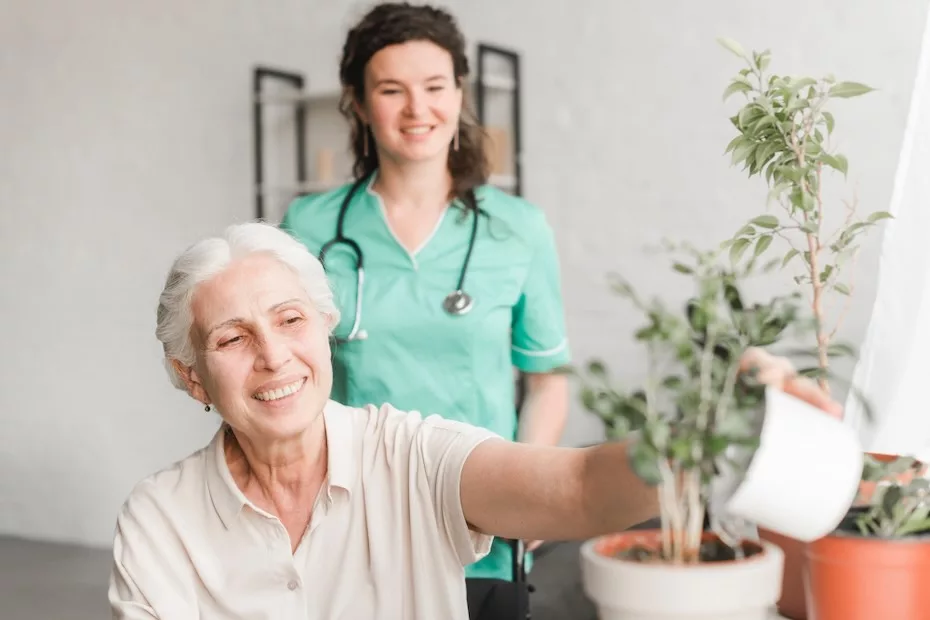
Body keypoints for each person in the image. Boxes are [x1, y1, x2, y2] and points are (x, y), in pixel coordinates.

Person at [107, 222, 841, 619]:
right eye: (233, 338)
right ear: (191, 375)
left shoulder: (411, 454)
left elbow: (582, 485)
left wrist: (720, 427)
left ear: (326, 327)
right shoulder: (160, 520)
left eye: (290, 319)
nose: (273, 355)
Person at [279, 2, 570, 585]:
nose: (418, 109)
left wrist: (531, 479)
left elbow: (547, 380)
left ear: (460, 94)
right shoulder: (308, 227)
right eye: (391, 90)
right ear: (359, 104)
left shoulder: (518, 229)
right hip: (349, 518)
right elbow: (287, 375)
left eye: (435, 86)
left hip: (482, 520)